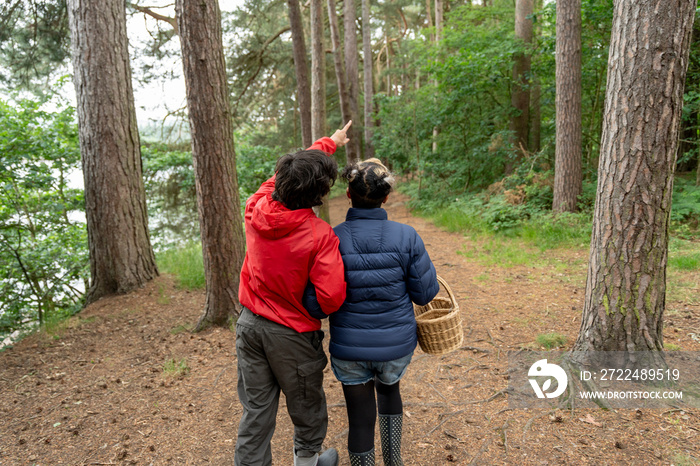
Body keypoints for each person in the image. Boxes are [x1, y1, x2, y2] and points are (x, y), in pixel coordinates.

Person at [235, 122, 353, 466]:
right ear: (318, 193)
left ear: (281, 180)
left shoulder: (255, 206)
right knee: (306, 404)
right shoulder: (320, 235)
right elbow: (332, 299)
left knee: (256, 411)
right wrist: (303, 302)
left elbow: (288, 172)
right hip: (292, 335)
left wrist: (329, 143)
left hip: (249, 326)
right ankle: (308, 462)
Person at [306, 158, 439, 465]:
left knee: (359, 418)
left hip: (349, 349)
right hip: (395, 346)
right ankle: (394, 462)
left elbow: (315, 305)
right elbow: (425, 294)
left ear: (349, 195)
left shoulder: (330, 239)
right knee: (390, 392)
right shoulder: (407, 237)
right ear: (386, 197)